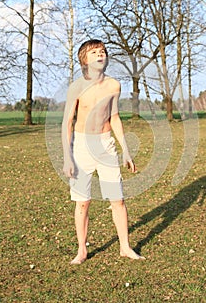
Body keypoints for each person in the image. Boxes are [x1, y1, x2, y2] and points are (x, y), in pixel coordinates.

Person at [62, 39, 145, 264]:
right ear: (84, 60)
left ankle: (125, 247)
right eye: (94, 52)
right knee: (83, 201)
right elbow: (67, 122)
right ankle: (82, 250)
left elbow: (114, 117)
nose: (100, 54)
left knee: (117, 199)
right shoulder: (76, 87)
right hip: (81, 146)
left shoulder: (114, 85)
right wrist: (67, 156)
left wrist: (125, 150)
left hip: (106, 145)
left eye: (103, 51)